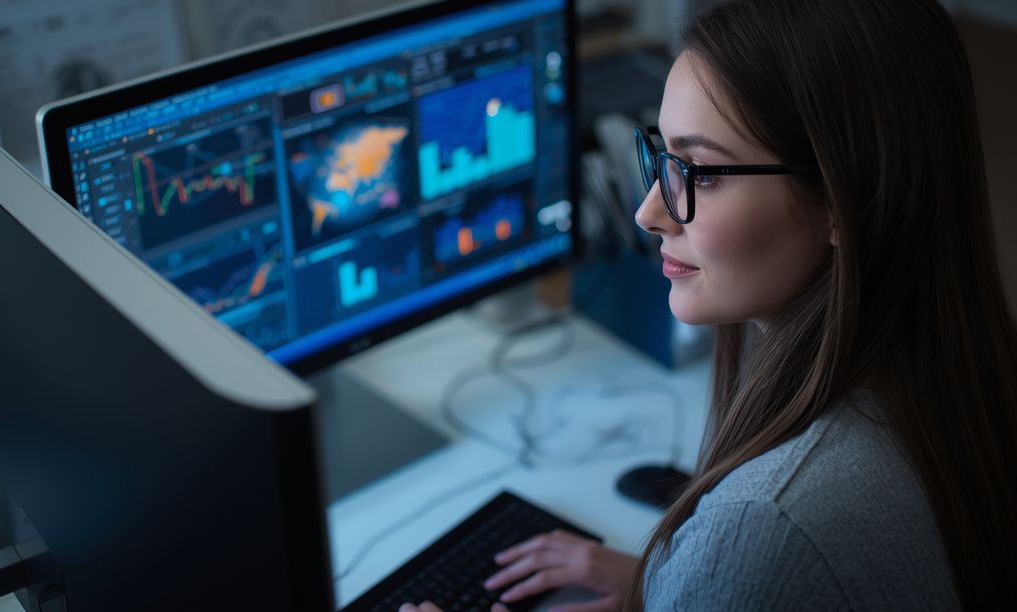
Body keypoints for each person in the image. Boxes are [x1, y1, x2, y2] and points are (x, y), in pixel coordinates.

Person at [402, 0, 1017, 609]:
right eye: (662, 157)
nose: (648, 212)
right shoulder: (953, 383)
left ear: (841, 200)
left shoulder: (769, 527)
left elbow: (777, 551)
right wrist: (668, 583)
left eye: (700, 171)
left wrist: (713, 579)